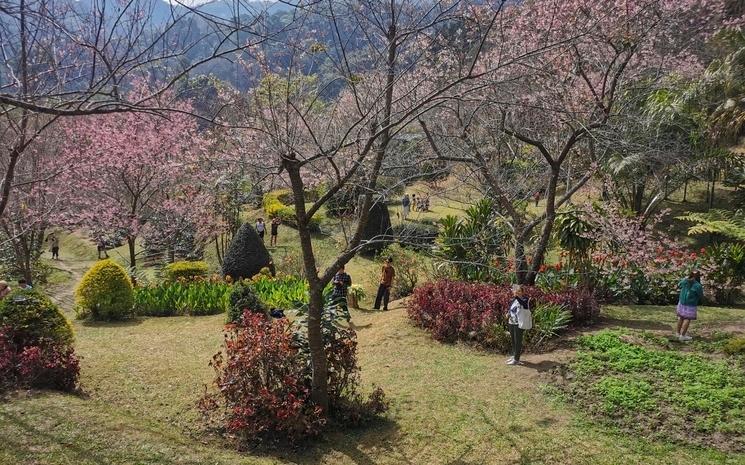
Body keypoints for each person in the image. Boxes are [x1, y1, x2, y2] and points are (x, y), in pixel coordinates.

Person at [506, 285, 531, 366]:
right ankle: (514, 356)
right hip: (511, 322)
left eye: (519, 291)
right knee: (513, 341)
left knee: (518, 342)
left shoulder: (525, 299)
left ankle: (516, 359)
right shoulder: (513, 300)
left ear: (523, 292)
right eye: (516, 291)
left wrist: (516, 297)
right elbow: (511, 308)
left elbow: (523, 304)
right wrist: (508, 313)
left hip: (519, 324)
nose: (517, 292)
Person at [676, 270, 703, 342]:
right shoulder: (697, 285)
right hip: (691, 304)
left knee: (681, 317)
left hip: (682, 302)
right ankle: (682, 336)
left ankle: (678, 333)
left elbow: (678, 285)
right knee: (687, 318)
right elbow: (700, 295)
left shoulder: (684, 281)